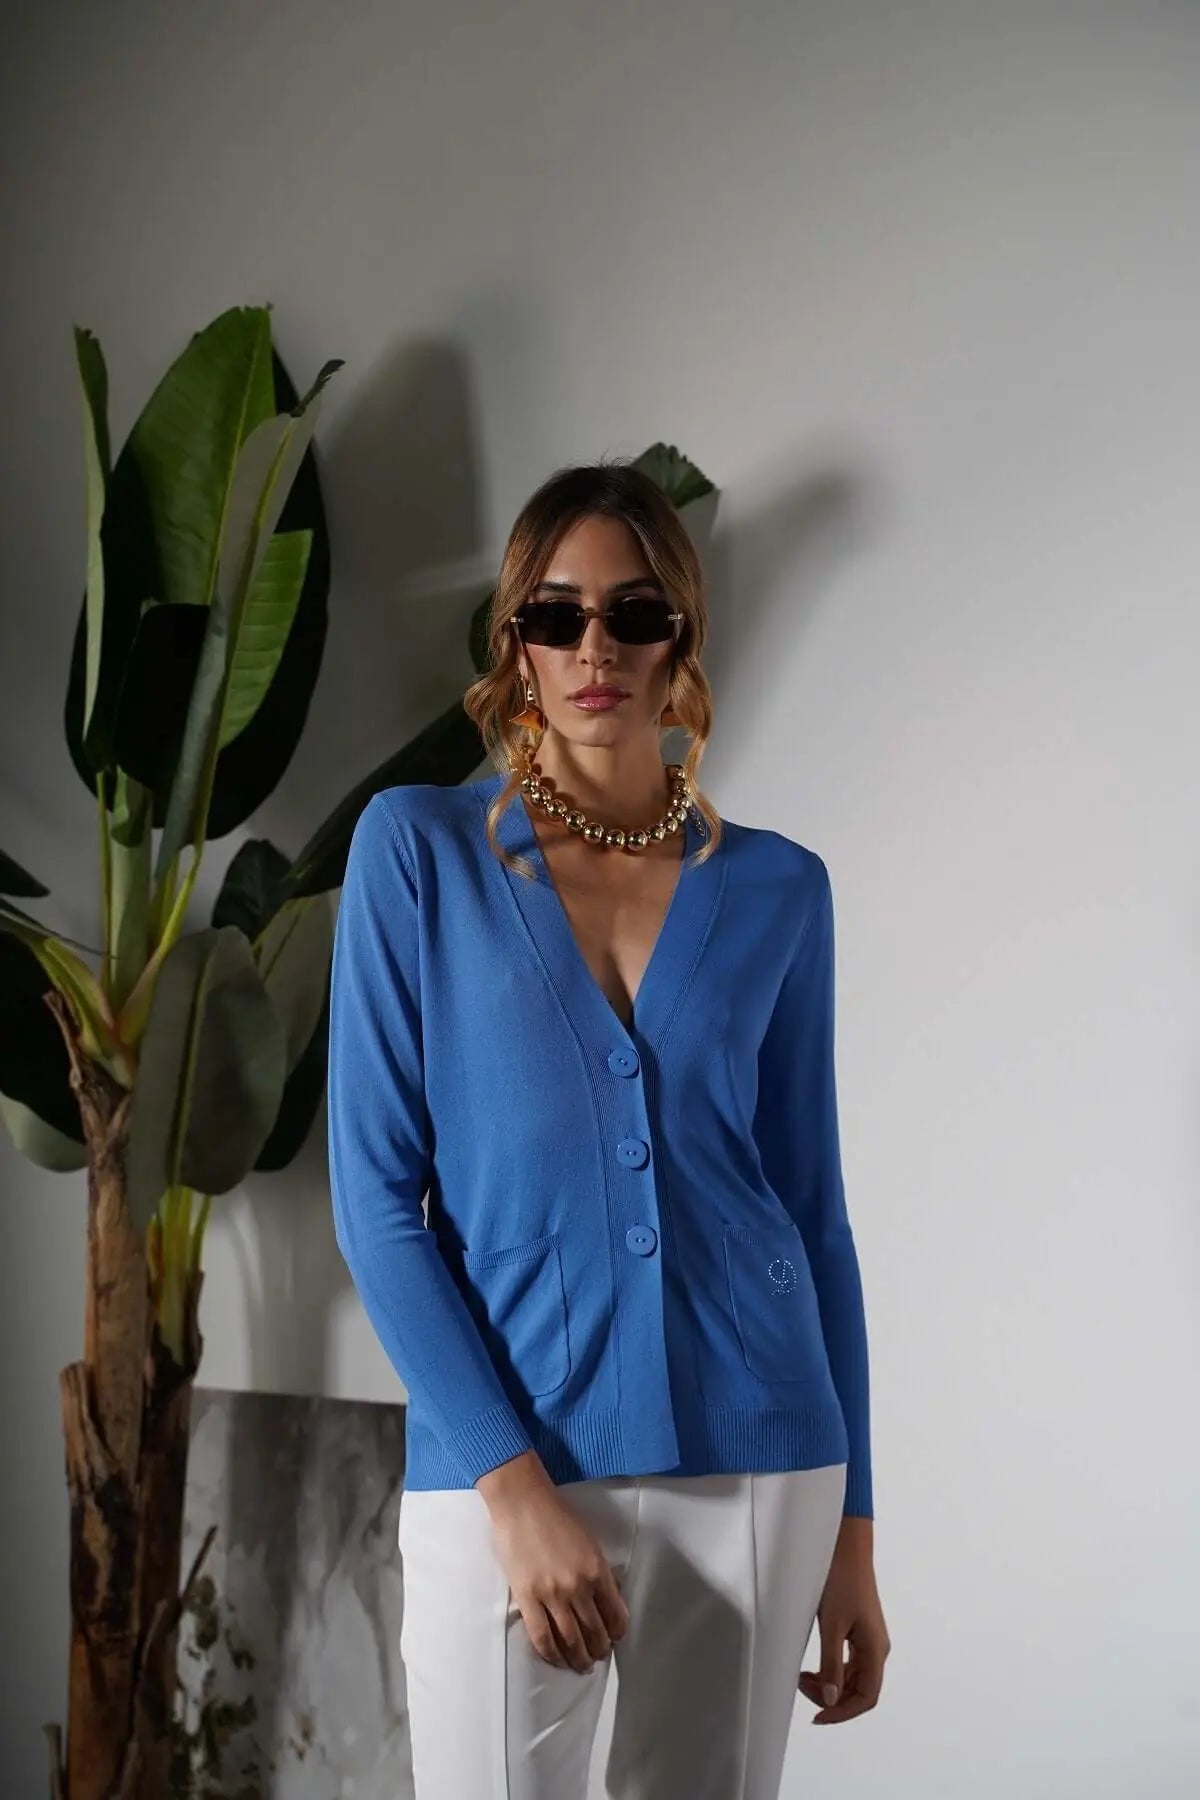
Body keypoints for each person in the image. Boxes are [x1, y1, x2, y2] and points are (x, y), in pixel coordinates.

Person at [326, 460, 891, 1798]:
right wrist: (513, 1492)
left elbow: (814, 1216)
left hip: (762, 1455)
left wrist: (855, 1533)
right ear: (515, 640)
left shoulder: (779, 887)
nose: (596, 649)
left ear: (679, 639)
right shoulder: (419, 851)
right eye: (558, 614)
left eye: (634, 615)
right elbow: (377, 1204)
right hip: (506, 1458)